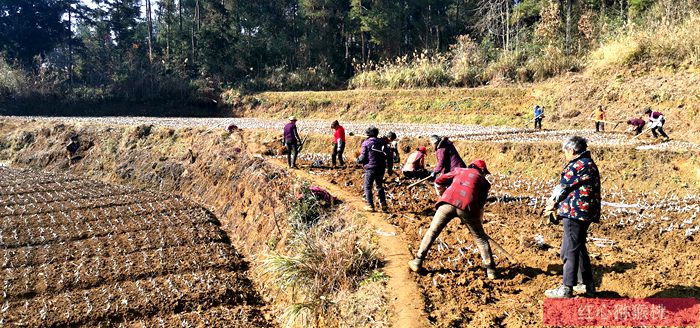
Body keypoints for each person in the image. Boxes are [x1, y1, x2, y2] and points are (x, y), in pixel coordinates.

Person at [408, 159, 497, 279]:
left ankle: (417, 261)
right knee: (480, 238)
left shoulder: (459, 170)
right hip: (467, 207)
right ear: (481, 170)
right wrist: (477, 222)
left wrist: (442, 194)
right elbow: (480, 205)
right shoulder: (484, 183)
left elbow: (439, 181)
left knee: (432, 231)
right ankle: (491, 270)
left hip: (447, 202)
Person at [543, 136, 601, 298]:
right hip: (586, 212)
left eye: (565, 152)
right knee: (579, 247)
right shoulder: (589, 163)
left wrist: (551, 203)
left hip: (575, 211)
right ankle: (587, 286)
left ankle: (566, 288)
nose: (565, 155)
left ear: (572, 150)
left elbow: (562, 188)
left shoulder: (577, 165)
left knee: (569, 250)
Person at [357, 126, 393, 213]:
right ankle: (383, 204)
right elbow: (389, 156)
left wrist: (358, 160)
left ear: (368, 134)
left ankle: (370, 205)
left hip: (370, 168)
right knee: (379, 186)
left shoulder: (366, 143)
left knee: (367, 186)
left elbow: (362, 157)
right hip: (381, 168)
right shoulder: (383, 143)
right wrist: (390, 168)